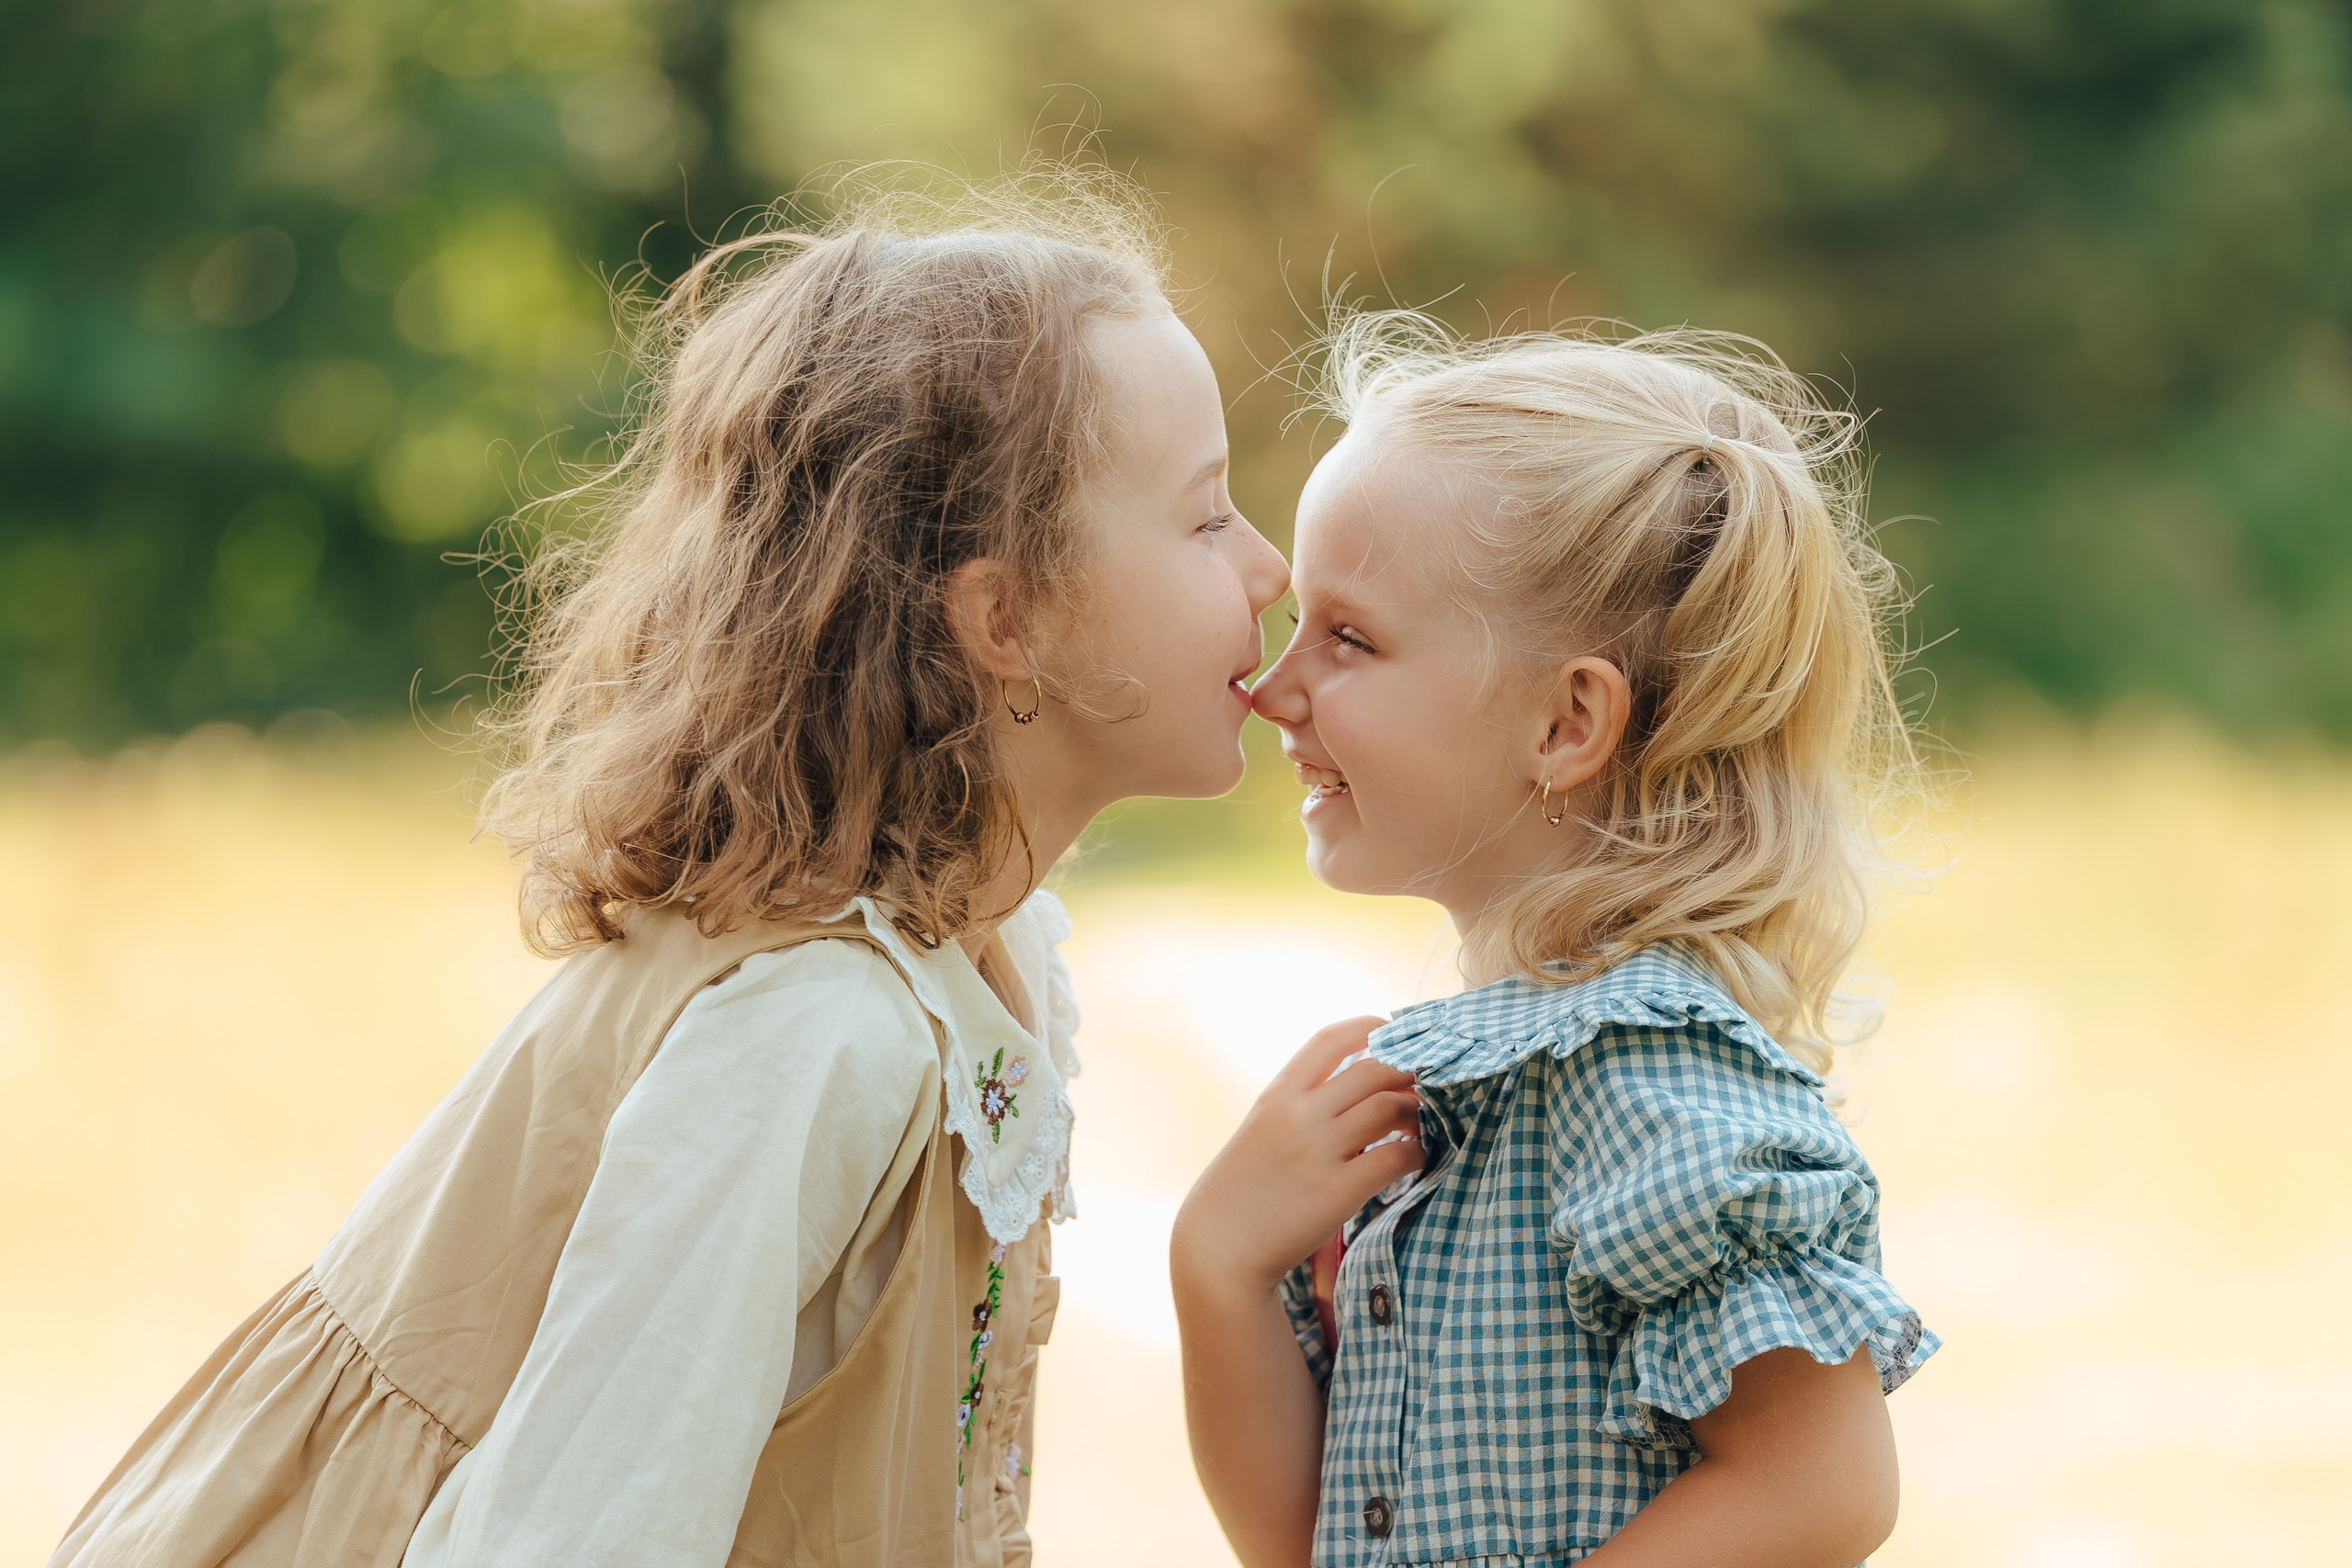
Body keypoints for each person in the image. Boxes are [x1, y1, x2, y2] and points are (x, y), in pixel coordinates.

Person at [51, 173, 1288, 1568]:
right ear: (1005, 618)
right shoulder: (813, 1034)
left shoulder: (977, 964)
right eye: (1207, 518)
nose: (1270, 566)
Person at [1171, 315, 1938, 1567]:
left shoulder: (1643, 1078)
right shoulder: (1484, 1091)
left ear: (1566, 723)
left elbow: (1824, 1483)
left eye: (1349, 636)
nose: (1272, 686)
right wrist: (1219, 1264)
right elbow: (1308, 1542)